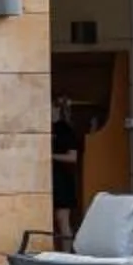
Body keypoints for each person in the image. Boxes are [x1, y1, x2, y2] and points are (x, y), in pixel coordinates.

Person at [50, 101, 82, 237]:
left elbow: (72, 157)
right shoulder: (45, 127)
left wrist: (50, 156)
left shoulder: (65, 130)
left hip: (62, 180)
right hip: (50, 178)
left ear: (58, 109)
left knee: (62, 219)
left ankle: (67, 250)